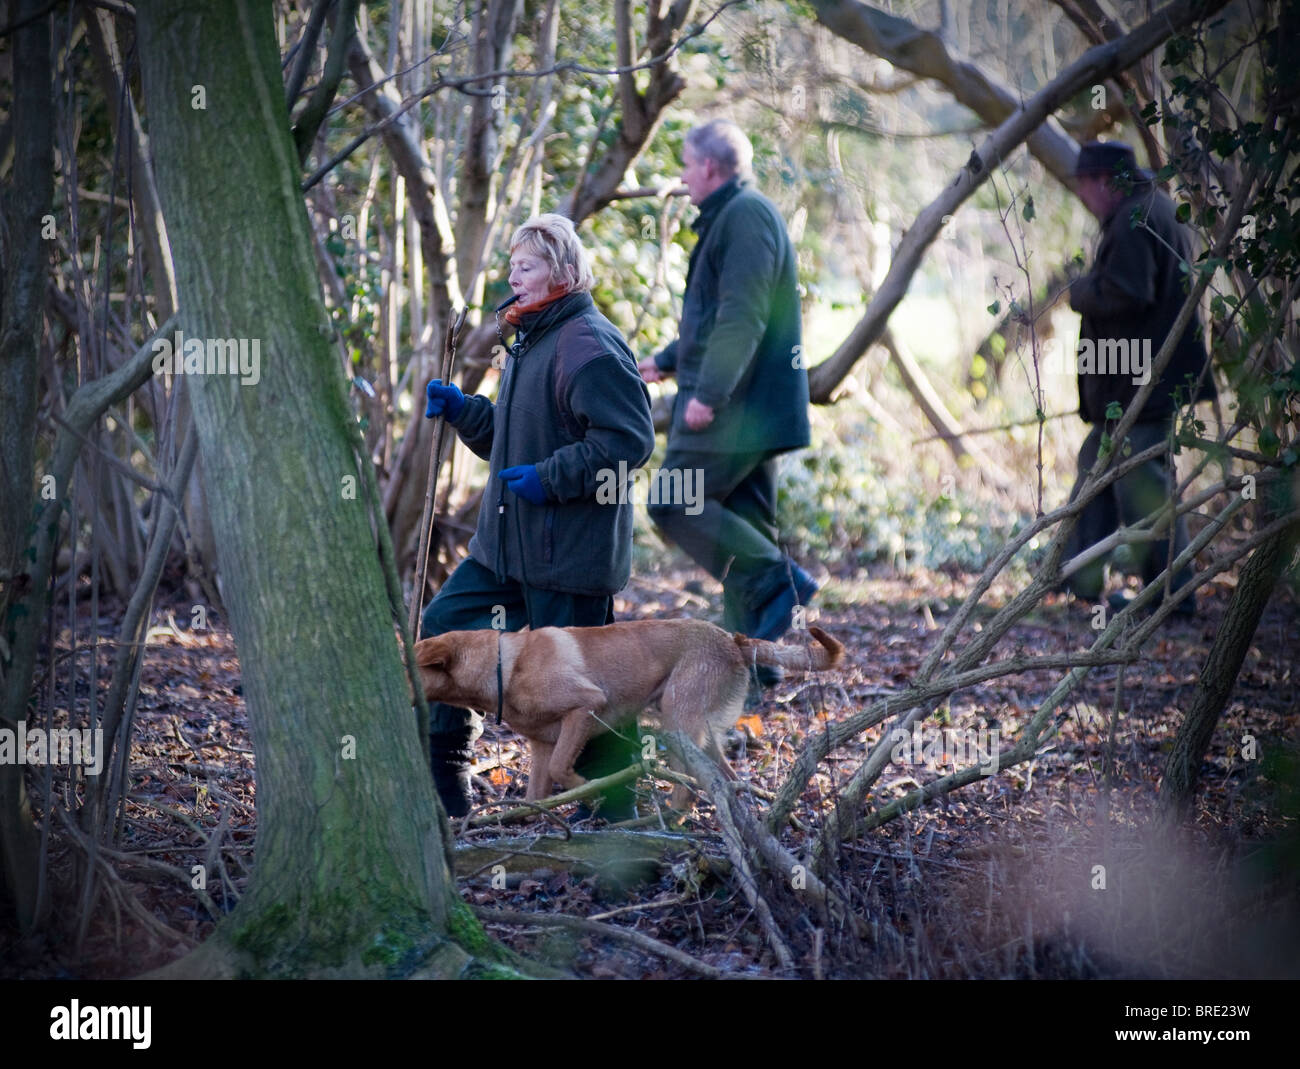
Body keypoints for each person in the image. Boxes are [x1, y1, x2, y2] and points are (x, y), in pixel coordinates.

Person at [421, 213, 655, 819]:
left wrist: (550, 479)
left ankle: (615, 828)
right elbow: (513, 439)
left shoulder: (588, 343)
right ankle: (445, 780)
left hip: (567, 557)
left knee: (584, 695)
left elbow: (628, 441)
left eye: (525, 267)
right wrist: (465, 411)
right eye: (511, 267)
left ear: (562, 272)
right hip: (504, 552)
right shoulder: (530, 337)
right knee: (441, 626)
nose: (512, 277)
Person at [637, 119, 816, 662]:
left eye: (688, 164)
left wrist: (708, 394)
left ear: (709, 167)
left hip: (736, 409)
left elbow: (743, 315)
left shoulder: (745, 215)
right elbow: (717, 314)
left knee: (674, 499)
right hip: (744, 404)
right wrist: (667, 361)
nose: (683, 175)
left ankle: (781, 586)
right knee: (748, 526)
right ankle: (755, 667)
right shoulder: (729, 218)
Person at [1061, 141, 1216, 614]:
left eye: (1083, 186)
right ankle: (1080, 586)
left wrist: (1079, 290)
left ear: (1104, 181)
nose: (1081, 197)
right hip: (1135, 386)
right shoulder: (1149, 210)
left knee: (1144, 488)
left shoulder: (1135, 219)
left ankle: (1172, 598)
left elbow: (1126, 293)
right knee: (1095, 473)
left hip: (1144, 387)